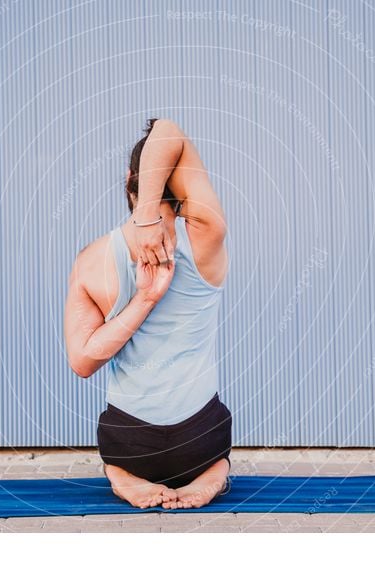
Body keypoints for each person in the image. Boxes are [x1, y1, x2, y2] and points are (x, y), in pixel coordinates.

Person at [63, 118, 231, 510]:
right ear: (185, 181)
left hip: (129, 444)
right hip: (202, 441)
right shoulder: (206, 234)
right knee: (219, 446)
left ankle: (121, 477)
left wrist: (141, 301)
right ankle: (215, 471)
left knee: (116, 455)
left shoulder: (90, 262)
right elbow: (169, 130)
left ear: (129, 179)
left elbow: (82, 362)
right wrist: (149, 295)